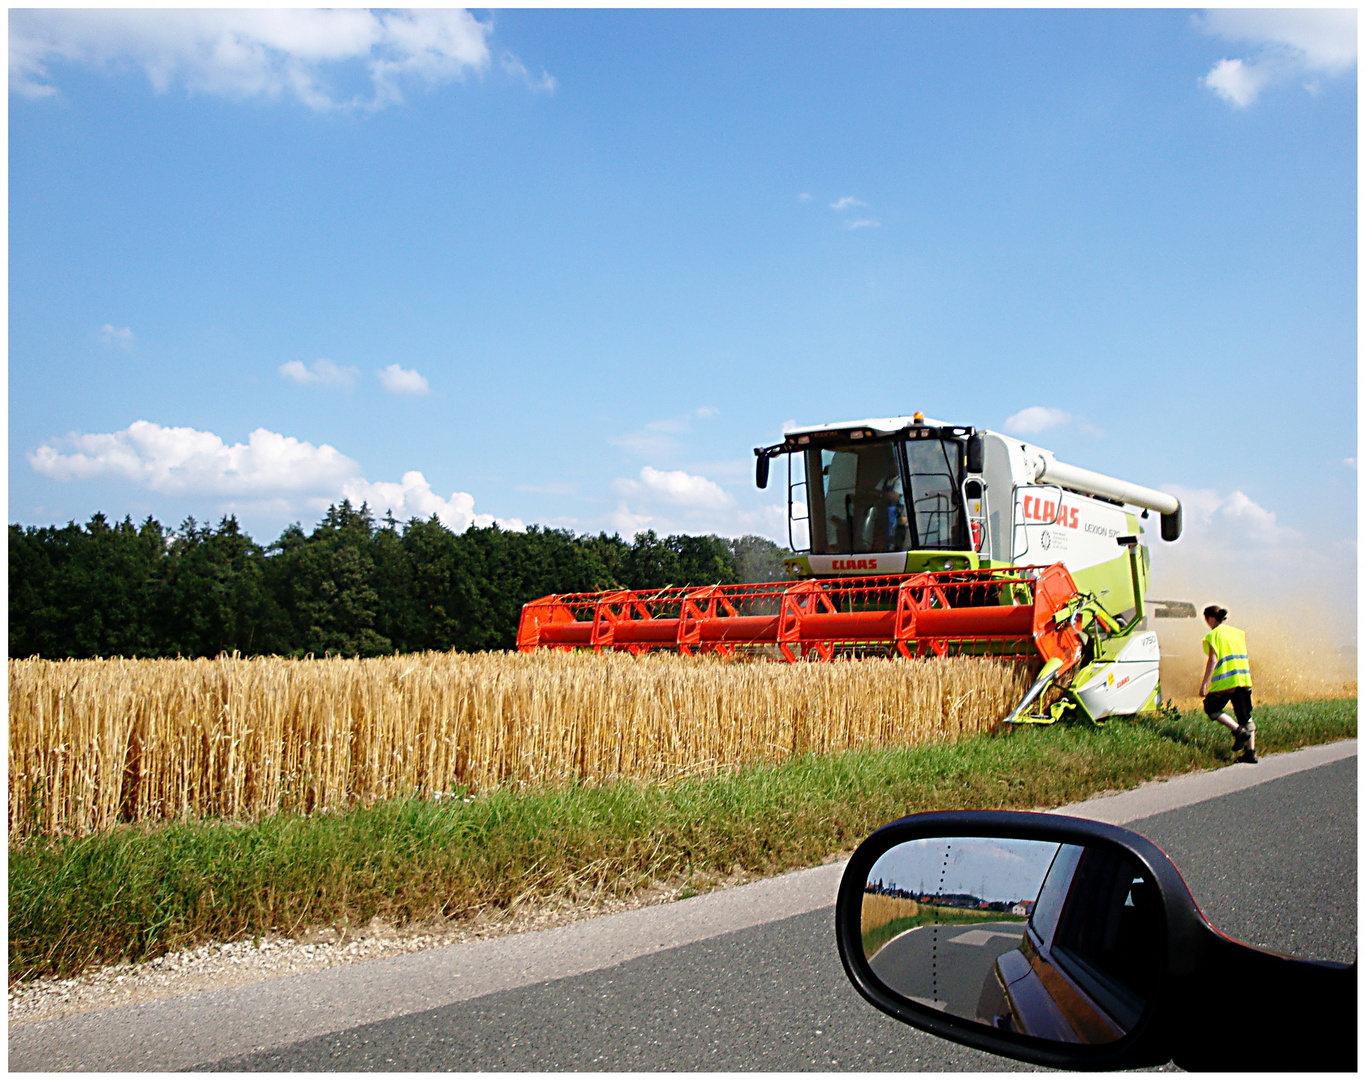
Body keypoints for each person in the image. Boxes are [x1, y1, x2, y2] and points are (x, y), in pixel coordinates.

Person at [1199, 605, 1256, 764]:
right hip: (1243, 679)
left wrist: (1204, 684)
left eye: (1206, 619)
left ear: (1210, 618)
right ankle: (1250, 752)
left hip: (1225, 682)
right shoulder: (1238, 633)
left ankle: (1239, 732)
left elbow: (1213, 660)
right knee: (1246, 716)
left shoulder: (1213, 635)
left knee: (1211, 708)